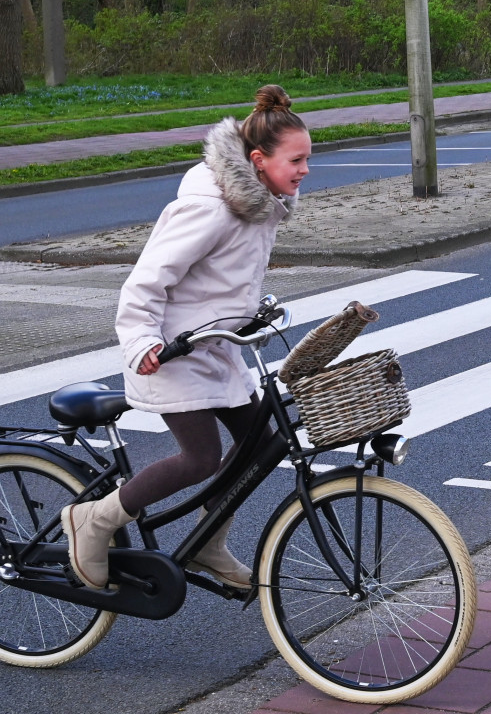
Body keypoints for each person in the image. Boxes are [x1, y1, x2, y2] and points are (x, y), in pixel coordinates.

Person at [61, 86, 312, 592]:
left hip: (214, 347)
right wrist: (139, 342)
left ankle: (208, 544)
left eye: (309, 158)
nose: (306, 169)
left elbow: (222, 279)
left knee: (259, 447)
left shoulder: (262, 204)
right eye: (298, 159)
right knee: (200, 458)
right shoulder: (209, 209)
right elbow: (146, 282)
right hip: (170, 353)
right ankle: (95, 520)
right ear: (259, 160)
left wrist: (248, 311)